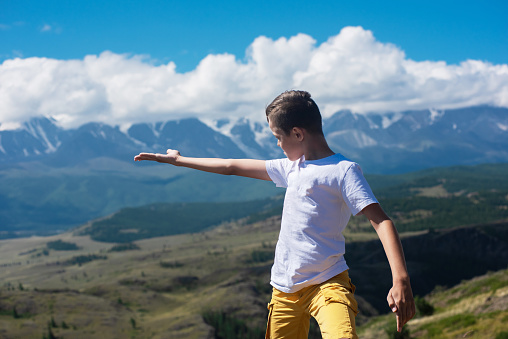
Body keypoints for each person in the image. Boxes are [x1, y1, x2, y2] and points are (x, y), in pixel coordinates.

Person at [134, 90, 415, 339]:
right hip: (284, 289)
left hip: (329, 284)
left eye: (278, 137)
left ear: (297, 133)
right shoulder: (291, 167)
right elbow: (231, 165)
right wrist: (178, 160)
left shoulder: (343, 170)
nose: (278, 145)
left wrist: (400, 280)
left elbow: (381, 221)